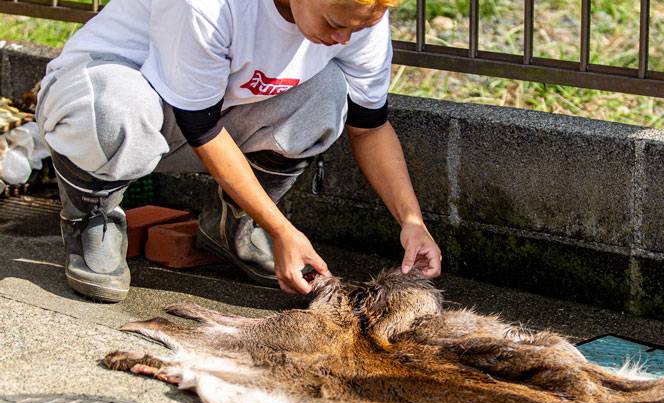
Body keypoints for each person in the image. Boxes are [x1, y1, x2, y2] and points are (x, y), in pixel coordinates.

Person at [35, 0, 442, 302]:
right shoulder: (210, 6)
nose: (344, 40)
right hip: (110, 100)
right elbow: (203, 130)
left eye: (357, 29)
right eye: (335, 24)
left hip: (204, 116)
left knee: (328, 95)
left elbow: (369, 129)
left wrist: (412, 221)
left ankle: (233, 225)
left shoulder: (358, 16)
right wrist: (282, 230)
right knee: (114, 110)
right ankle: (91, 216)